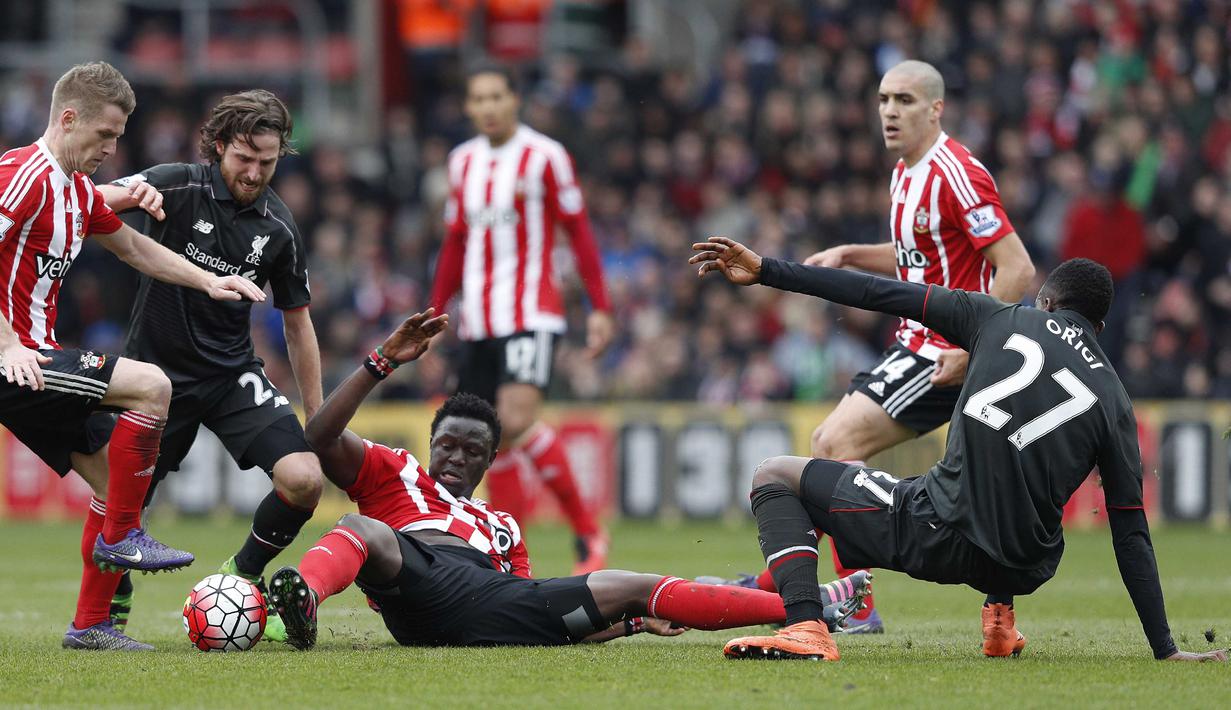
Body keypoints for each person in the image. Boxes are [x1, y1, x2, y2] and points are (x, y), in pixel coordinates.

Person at [689, 235, 1228, 663]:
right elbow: (1131, 530)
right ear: (1100, 326)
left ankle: (807, 624)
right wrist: (1167, 648)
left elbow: (875, 294)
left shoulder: (993, 316)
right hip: (1026, 565)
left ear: (1045, 301)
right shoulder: (1116, 401)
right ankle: (1000, 623)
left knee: (774, 476)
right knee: (1017, 475)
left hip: (938, 532)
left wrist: (767, 270)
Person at [266, 309, 871, 650]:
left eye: (471, 449)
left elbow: (544, 617)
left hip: (487, 607)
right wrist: (380, 364)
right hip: (413, 581)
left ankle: (808, 609)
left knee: (627, 586)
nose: (454, 456)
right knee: (359, 526)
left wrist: (628, 621)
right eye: (445, 443)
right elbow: (316, 438)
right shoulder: (391, 470)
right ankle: (305, 604)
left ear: (490, 459)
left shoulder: (502, 526)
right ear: (429, 444)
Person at [717, 60, 1037, 634]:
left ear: (936, 109)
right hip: (921, 344)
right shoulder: (904, 172)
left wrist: (976, 350)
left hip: (943, 349)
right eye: (885, 98)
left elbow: (1016, 267)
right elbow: (916, 254)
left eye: (906, 100)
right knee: (984, 476)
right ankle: (995, 614)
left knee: (833, 441)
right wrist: (848, 253)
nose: (890, 110)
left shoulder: (954, 171)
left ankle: (852, 597)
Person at [0, 61, 266, 651]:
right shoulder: (26, 174)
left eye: (120, 136)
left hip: (29, 359)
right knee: (152, 386)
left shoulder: (73, 191)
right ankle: (123, 536)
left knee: (112, 479)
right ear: (68, 120)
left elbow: (135, 248)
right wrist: (6, 341)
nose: (114, 148)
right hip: (13, 359)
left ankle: (91, 625)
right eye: (105, 134)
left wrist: (208, 282)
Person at [96, 90, 324, 643]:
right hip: (153, 380)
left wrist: (318, 418)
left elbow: (298, 325)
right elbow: (86, 203)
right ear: (218, 145)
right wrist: (126, 194)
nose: (254, 172)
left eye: (267, 162)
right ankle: (109, 600)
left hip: (229, 376)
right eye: (245, 158)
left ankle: (241, 576)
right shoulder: (175, 183)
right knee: (113, 506)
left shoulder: (280, 226)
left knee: (305, 480)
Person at [428, 63, 614, 575]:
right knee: (492, 433)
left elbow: (579, 232)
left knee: (511, 420)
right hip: (479, 320)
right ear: (469, 107)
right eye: (478, 99)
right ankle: (514, 550)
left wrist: (600, 306)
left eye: (496, 97)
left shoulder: (545, 156)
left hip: (532, 310)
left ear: (515, 101)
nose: (487, 107)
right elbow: (454, 242)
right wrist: (434, 310)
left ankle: (587, 528)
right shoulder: (461, 162)